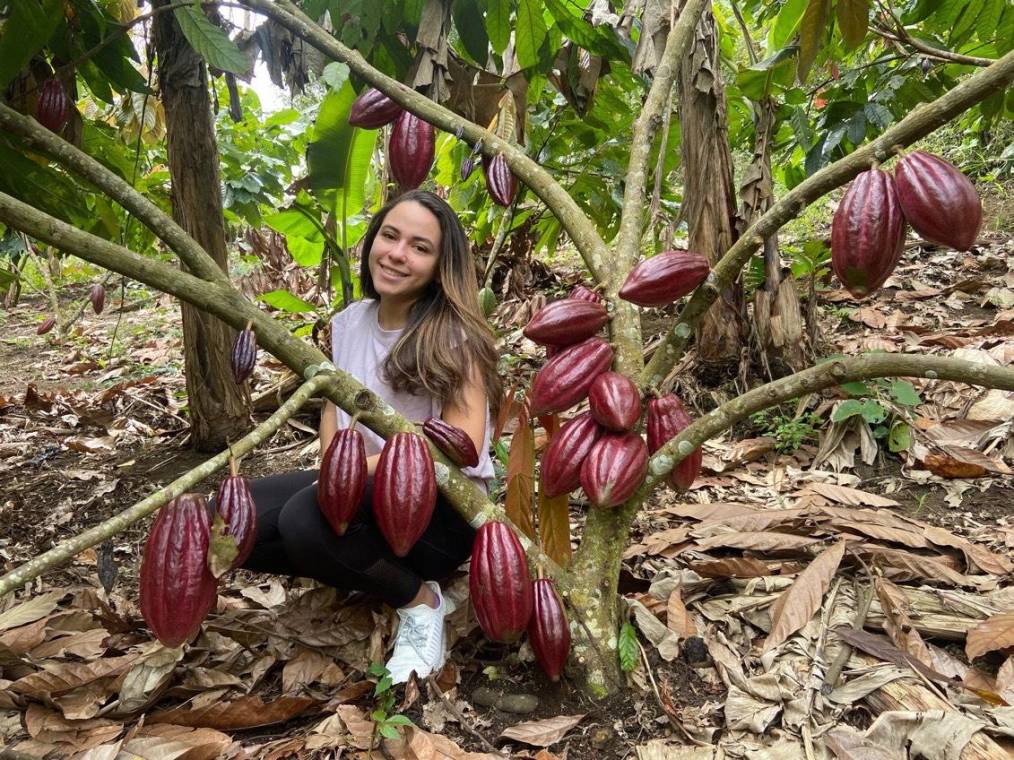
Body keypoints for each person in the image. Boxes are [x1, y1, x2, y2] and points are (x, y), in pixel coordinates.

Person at [233, 190, 501, 683]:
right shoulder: (347, 322)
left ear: (442, 265)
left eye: (420, 247)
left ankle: (421, 602)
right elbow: (334, 414)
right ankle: (361, 565)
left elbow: (460, 442)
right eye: (390, 236)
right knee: (230, 520)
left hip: (440, 512)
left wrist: (340, 480)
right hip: (362, 489)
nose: (397, 253)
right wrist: (336, 471)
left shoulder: (456, 335)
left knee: (304, 519)